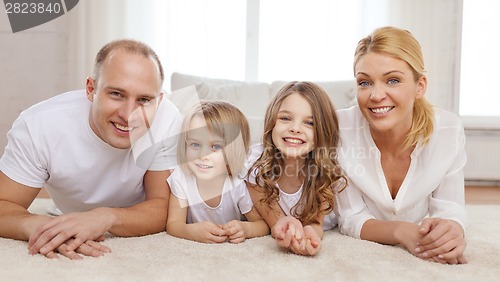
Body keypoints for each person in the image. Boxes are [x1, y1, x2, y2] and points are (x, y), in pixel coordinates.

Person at [0, 39, 181, 259]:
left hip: (134, 217)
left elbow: (162, 208)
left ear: (159, 101)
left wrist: (105, 217)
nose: (128, 114)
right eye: (116, 94)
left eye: (144, 100)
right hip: (67, 214)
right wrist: (38, 225)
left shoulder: (168, 119)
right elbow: (4, 204)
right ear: (91, 89)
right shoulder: (38, 126)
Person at [336, 26, 467, 264]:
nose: (376, 95)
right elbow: (350, 217)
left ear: (420, 86)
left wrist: (451, 231)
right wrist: (402, 231)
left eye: (392, 80)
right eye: (364, 83)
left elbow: (450, 208)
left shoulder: (447, 130)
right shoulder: (340, 129)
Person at [245, 81, 347, 256]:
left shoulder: (326, 170)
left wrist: (310, 235)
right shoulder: (256, 164)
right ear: (271, 123)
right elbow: (276, 222)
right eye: (285, 118)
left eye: (309, 123)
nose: (295, 128)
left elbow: (316, 223)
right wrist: (288, 232)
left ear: (323, 132)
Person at [166, 101, 269, 243]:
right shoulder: (181, 178)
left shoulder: (238, 184)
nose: (202, 155)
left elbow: (262, 225)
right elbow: (173, 224)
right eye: (195, 144)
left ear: (235, 150)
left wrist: (245, 229)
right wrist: (191, 231)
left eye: (215, 146)